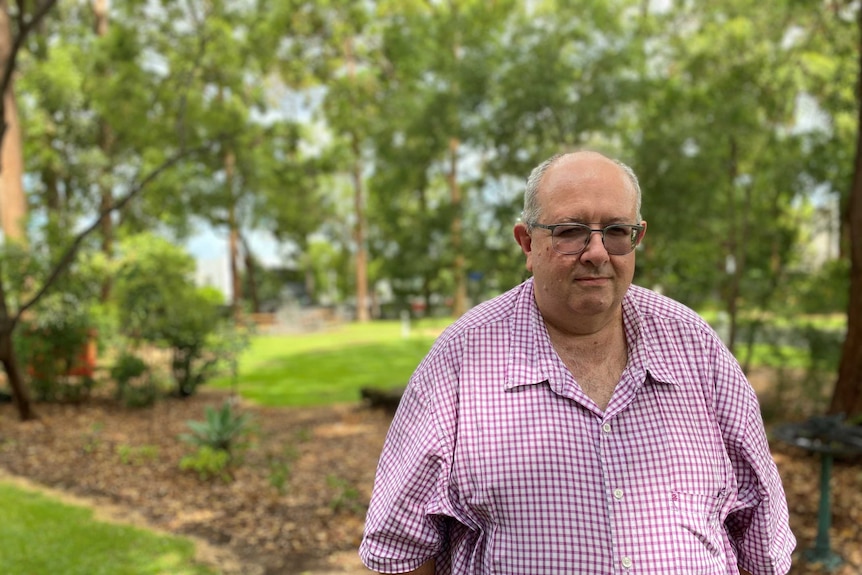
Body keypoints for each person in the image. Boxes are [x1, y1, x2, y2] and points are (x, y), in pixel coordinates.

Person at [359, 150, 795, 575]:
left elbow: (760, 524)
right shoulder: (461, 360)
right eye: (570, 231)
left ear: (637, 236)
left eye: (617, 231)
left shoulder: (694, 346)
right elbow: (402, 548)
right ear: (527, 243)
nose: (597, 252)